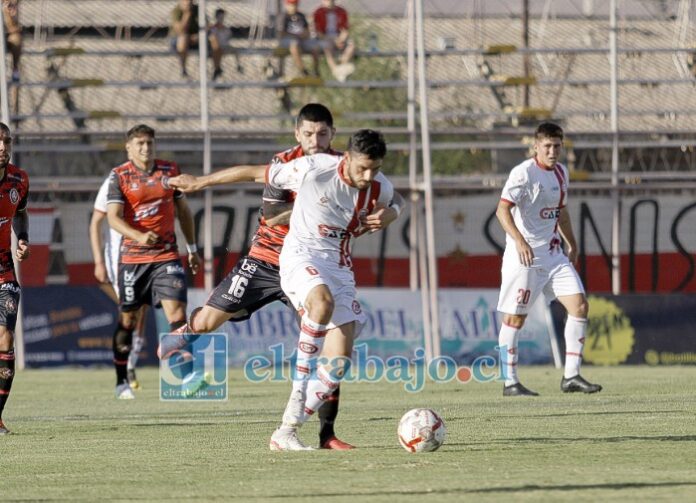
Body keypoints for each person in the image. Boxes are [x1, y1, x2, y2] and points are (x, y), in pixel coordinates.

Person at [166, 105, 402, 450]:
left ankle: (303, 431)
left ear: (333, 135)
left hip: (336, 266)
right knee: (212, 320)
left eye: (321, 133)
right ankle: (180, 339)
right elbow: (260, 190)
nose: (368, 177)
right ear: (298, 134)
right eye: (308, 133)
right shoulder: (307, 168)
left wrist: (390, 214)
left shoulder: (376, 182)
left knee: (337, 360)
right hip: (278, 258)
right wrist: (201, 182)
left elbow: (397, 200)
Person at [495, 122, 601, 397]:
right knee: (515, 319)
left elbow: (561, 213)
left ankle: (571, 376)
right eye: (547, 146)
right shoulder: (523, 173)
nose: (553, 151)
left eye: (557, 146)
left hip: (554, 255)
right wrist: (519, 240)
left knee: (579, 306)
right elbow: (502, 210)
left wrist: (572, 243)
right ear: (536, 146)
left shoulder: (562, 173)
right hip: (526, 257)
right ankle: (510, 382)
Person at [106, 124, 200, 399]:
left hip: (166, 255)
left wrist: (192, 248)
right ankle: (122, 380)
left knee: (177, 315)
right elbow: (113, 217)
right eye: (140, 143)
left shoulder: (169, 172)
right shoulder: (119, 175)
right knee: (128, 320)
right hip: (133, 259)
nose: (145, 148)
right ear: (129, 147)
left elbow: (183, 212)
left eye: (149, 143)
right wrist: (137, 235)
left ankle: (186, 378)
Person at [89, 176, 150, 390]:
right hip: (120, 260)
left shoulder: (154, 178)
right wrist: (98, 261)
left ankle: (130, 365)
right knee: (129, 313)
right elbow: (96, 221)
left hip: (147, 256)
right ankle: (122, 376)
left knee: (141, 311)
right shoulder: (114, 180)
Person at [0, 122, 30, 435]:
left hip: (4, 272)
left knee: (6, 339)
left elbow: (20, 211)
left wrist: (22, 238)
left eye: (6, 141)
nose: (2, 148)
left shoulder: (19, 179)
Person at [313, 0, 355, 82]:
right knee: (326, 47)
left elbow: (345, 30)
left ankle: (342, 66)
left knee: (351, 45)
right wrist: (333, 40)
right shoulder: (318, 12)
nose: (329, 2)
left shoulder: (341, 11)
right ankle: (335, 69)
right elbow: (319, 33)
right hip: (326, 37)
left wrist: (341, 39)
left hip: (338, 37)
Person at [277, 0, 320, 78]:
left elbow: (307, 31)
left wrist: (304, 34)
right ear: (287, 5)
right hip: (288, 40)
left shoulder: (301, 16)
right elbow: (281, 33)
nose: (293, 6)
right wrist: (295, 35)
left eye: (295, 4)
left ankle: (316, 71)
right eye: (291, 4)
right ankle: (303, 71)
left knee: (315, 46)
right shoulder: (284, 16)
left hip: (301, 39)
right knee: (294, 44)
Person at [208, 7, 244, 81]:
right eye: (220, 16)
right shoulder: (213, 28)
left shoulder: (226, 29)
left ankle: (238, 66)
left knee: (235, 50)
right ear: (216, 17)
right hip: (217, 48)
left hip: (224, 47)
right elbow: (212, 38)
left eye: (222, 16)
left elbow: (228, 37)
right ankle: (217, 69)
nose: (221, 18)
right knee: (217, 49)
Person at [170, 0, 199, 77]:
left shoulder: (197, 10)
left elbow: (207, 26)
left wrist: (198, 35)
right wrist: (187, 14)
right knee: (183, 38)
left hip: (194, 39)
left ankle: (216, 69)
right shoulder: (177, 11)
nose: (188, 3)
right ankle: (183, 69)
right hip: (177, 40)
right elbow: (181, 31)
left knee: (212, 37)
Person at [2, 0, 21, 82]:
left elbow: (16, 28)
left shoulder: (10, 6)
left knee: (16, 39)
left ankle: (15, 68)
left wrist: (9, 16)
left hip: (7, 36)